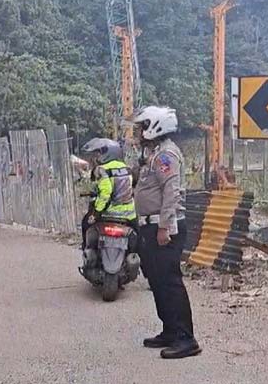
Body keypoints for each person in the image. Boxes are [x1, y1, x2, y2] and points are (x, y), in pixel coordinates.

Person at [132, 106, 200, 359]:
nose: (139, 132)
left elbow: (172, 192)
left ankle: (186, 338)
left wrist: (163, 227)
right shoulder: (154, 154)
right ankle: (170, 331)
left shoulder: (166, 155)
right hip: (151, 225)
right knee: (157, 282)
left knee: (170, 283)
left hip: (163, 228)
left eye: (142, 126)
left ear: (155, 126)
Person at [80, 138, 138, 250]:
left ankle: (85, 248)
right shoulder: (126, 168)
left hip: (108, 214)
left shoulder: (102, 169)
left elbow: (105, 193)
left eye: (97, 154)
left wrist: (95, 213)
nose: (94, 158)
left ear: (107, 153)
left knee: (85, 224)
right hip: (129, 216)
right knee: (138, 238)